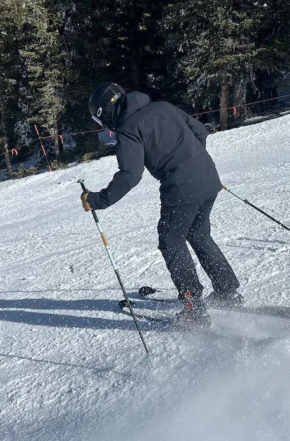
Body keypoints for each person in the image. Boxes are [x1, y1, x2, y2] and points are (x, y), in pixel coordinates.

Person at [81, 83, 242, 326]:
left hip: (181, 188)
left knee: (171, 240)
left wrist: (98, 200)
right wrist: (193, 162)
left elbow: (130, 175)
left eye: (99, 120)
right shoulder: (163, 107)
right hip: (209, 177)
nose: (102, 126)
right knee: (199, 235)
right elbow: (200, 131)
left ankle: (193, 306)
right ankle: (227, 292)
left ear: (106, 112)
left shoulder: (128, 129)